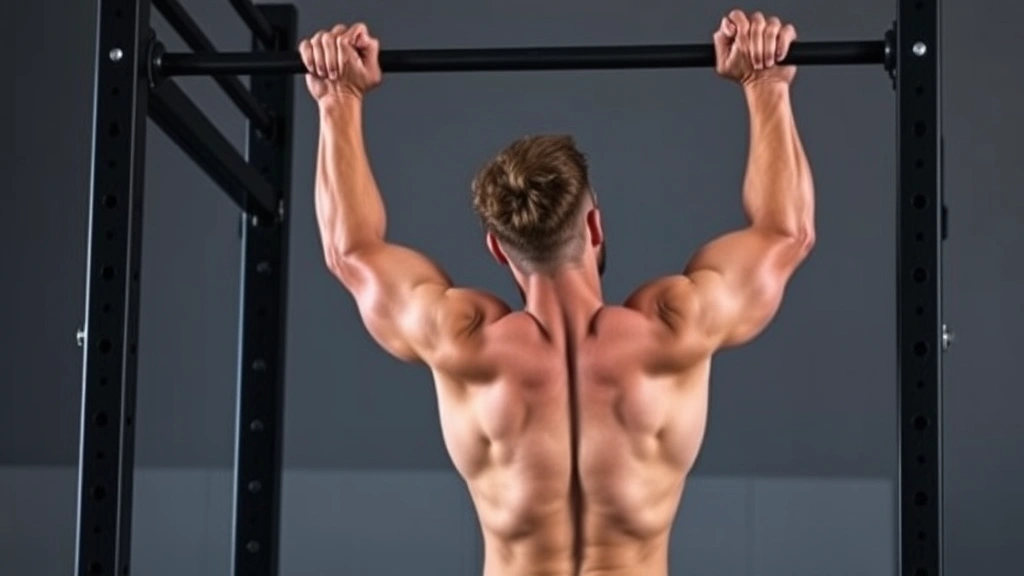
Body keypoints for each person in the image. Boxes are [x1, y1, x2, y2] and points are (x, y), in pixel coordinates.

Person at [300, 9, 813, 576]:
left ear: (498, 249)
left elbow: (351, 250)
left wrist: (337, 99)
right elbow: (785, 232)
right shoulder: (676, 327)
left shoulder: (460, 342)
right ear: (594, 227)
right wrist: (765, 84)